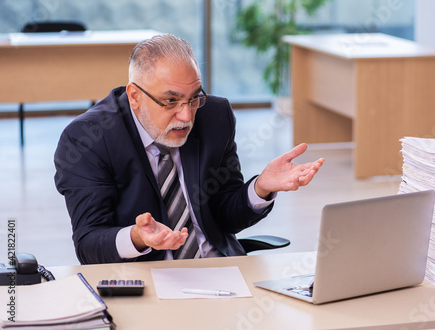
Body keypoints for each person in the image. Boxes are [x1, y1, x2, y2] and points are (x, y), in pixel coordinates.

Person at [54, 33, 324, 264]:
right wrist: (137, 237)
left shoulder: (215, 116)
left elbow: (223, 216)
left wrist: (260, 188)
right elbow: (89, 243)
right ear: (135, 96)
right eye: (170, 101)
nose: (186, 116)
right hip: (145, 279)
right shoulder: (86, 139)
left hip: (220, 271)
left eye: (194, 98)